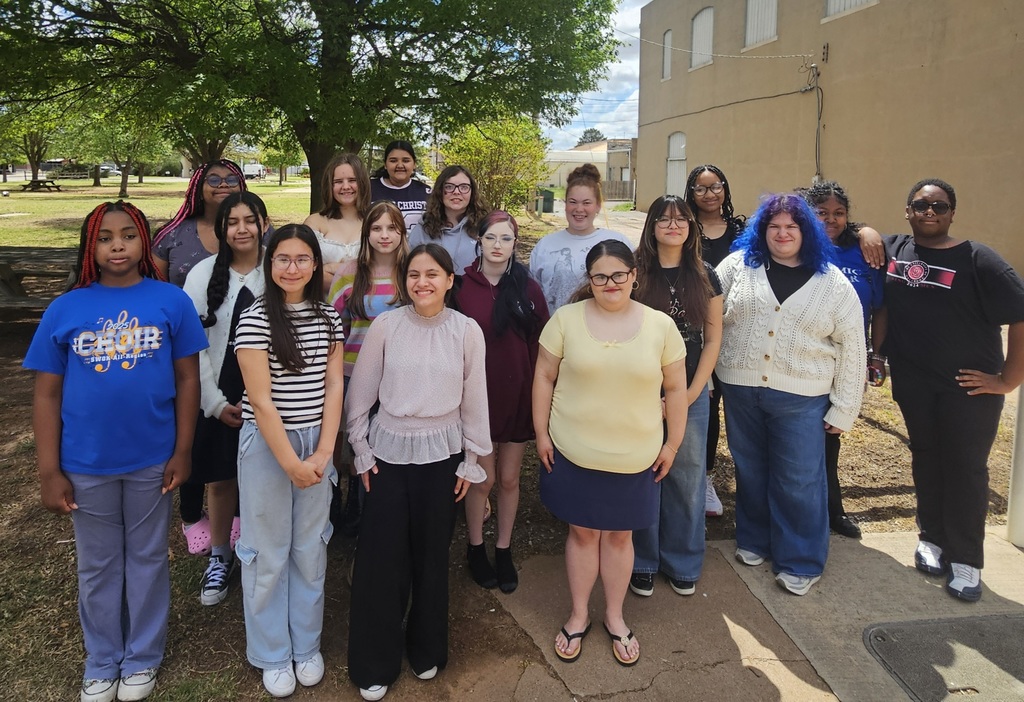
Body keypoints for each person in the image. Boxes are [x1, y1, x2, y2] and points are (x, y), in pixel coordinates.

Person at [25, 201, 207, 702]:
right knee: (99, 564)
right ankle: (103, 658)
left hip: (153, 457)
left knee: (147, 556)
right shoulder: (67, 308)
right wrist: (48, 472)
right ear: (90, 247)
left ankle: (143, 657)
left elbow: (188, 378)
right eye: (105, 238)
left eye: (129, 235)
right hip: (85, 463)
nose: (118, 245)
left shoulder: (170, 301)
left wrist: (183, 449)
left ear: (145, 242)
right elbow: (46, 393)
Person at [345, 243, 491, 701]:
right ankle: (374, 660)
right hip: (388, 455)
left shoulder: (466, 332)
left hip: (442, 458)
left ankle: (426, 648)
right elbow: (361, 395)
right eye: (414, 275)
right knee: (381, 559)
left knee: (431, 556)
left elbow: (475, 401)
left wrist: (471, 457)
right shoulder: (387, 325)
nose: (422, 282)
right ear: (404, 281)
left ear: (450, 281)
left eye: (433, 274)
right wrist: (361, 450)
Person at [534, 240, 687, 667]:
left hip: (635, 457)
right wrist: (541, 434)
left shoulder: (661, 327)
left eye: (619, 274)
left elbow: (675, 389)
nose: (610, 283)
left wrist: (672, 443)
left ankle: (615, 617)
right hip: (573, 452)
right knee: (582, 534)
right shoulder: (565, 320)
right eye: (600, 276)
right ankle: (580, 613)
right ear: (590, 280)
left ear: (634, 276)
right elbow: (544, 377)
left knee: (620, 537)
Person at [874, 179, 1024, 602]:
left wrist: (1008, 380)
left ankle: (966, 559)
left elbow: (1020, 314)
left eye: (939, 206)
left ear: (952, 213)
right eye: (920, 205)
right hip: (914, 381)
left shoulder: (979, 259)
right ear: (907, 211)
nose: (930, 212)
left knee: (965, 468)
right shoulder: (895, 249)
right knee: (926, 457)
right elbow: (859, 239)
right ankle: (933, 539)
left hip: (969, 388)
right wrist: (880, 355)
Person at [716, 194, 865, 596]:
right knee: (751, 468)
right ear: (762, 232)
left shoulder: (832, 283)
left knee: (799, 478)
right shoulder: (736, 268)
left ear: (806, 233)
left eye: (791, 227)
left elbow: (854, 346)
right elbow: (709, 319)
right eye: (774, 227)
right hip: (741, 387)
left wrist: (845, 406)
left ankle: (800, 558)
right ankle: (755, 539)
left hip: (802, 395)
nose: (782, 234)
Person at [234, 224, 344, 697]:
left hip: (317, 440)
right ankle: (272, 651)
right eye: (283, 258)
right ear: (269, 262)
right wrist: (291, 462)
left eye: (302, 259)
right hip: (267, 446)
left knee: (309, 546)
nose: (292, 267)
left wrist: (322, 452)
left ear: (316, 264)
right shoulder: (255, 318)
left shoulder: (328, 317)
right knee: (267, 549)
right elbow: (261, 401)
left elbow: (335, 385)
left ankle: (306, 644)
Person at [629, 196, 722, 597]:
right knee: (645, 473)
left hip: (691, 392)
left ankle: (683, 560)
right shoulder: (635, 272)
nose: (673, 225)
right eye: (664, 219)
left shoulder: (706, 275)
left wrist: (689, 393)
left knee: (686, 476)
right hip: (640, 393)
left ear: (691, 227)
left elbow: (713, 338)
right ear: (651, 226)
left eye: (681, 219)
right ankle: (643, 560)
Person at [153, 158, 246, 556]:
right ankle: (195, 519)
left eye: (231, 179)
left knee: (235, 459)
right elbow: (156, 288)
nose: (222, 185)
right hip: (191, 351)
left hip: (245, 368)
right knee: (195, 439)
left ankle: (236, 521)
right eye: (214, 180)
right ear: (198, 187)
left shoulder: (267, 250)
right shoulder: (177, 237)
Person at [454, 211, 549, 594]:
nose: (498, 246)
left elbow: (540, 344)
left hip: (518, 394)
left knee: (509, 479)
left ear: (515, 243)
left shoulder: (528, 288)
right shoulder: (461, 286)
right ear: (479, 240)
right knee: (483, 478)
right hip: (476, 397)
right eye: (491, 238)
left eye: (506, 239)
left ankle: (504, 548)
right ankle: (475, 546)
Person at [182, 192, 268, 606]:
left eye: (249, 220)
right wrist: (214, 402)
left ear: (263, 224)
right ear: (222, 229)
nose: (241, 229)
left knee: (267, 476)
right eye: (232, 222)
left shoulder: (277, 269)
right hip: (219, 392)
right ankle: (220, 554)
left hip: (270, 394)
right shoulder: (201, 276)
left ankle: (264, 551)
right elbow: (193, 347)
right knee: (220, 478)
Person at [804, 181, 885, 540]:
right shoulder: (800, 247)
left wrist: (876, 354)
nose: (831, 220)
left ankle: (832, 509)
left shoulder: (863, 251)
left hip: (848, 362)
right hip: (808, 360)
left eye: (839, 213)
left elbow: (881, 308)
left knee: (830, 435)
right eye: (821, 212)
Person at [327, 201, 410, 536]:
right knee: (342, 445)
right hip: (350, 375)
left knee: (377, 448)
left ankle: (365, 510)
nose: (384, 235)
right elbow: (336, 330)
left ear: (402, 233)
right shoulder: (349, 273)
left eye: (392, 228)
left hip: (396, 379)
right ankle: (334, 507)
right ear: (367, 234)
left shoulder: (411, 272)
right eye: (377, 228)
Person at [684, 164, 745, 519]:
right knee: (705, 404)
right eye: (701, 189)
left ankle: (746, 478)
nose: (710, 194)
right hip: (698, 333)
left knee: (737, 405)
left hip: (738, 331)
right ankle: (703, 478)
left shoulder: (743, 230)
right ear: (691, 193)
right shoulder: (686, 230)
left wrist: (863, 231)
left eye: (716, 186)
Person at [530, 164, 632, 312]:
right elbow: (533, 295)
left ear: (598, 206)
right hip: (554, 331)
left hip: (605, 330)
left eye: (586, 203)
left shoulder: (617, 243)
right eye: (573, 202)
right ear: (565, 204)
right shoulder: (545, 246)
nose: (579, 209)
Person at [303, 152, 371, 287]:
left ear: (362, 183)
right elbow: (305, 270)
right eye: (338, 182)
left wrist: (331, 268)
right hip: (323, 304)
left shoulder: (375, 221)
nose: (346, 187)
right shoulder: (314, 223)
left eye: (352, 180)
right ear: (330, 186)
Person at [408, 165, 488, 273]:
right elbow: (410, 270)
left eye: (464, 187)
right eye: (449, 187)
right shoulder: (423, 228)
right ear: (440, 191)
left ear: (472, 192)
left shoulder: (485, 227)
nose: (456, 192)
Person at [369, 140, 431, 229]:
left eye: (406, 160)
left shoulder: (426, 192)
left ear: (414, 164)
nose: (400, 165)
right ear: (385, 164)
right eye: (393, 161)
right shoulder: (369, 189)